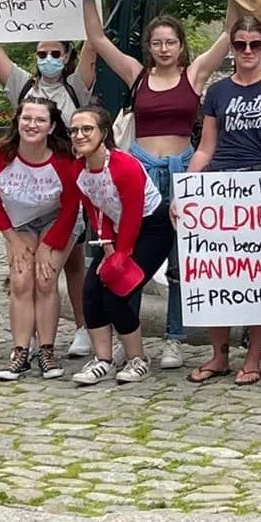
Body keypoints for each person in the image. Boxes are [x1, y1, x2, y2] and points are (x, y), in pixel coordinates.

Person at [79, 0, 252, 370]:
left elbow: (228, 34)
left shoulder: (194, 75)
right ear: (150, 47)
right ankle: (128, 335)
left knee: (180, 262)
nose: (163, 49)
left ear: (180, 45)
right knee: (130, 258)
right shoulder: (137, 74)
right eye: (157, 43)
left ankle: (174, 337)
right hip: (140, 171)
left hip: (183, 172)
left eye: (170, 42)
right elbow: (99, 39)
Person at [0, 0, 97, 357]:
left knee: (73, 264)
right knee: (27, 267)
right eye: (41, 52)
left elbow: (95, 41)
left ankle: (80, 326)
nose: (47, 57)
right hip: (26, 190)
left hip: (68, 183)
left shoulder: (77, 86)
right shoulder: (20, 84)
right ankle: (30, 336)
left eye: (55, 52)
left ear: (66, 57)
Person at [184, 13, 261, 387]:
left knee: (259, 277)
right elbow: (206, 147)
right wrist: (185, 190)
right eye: (240, 44)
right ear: (232, 48)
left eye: (255, 44)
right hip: (220, 187)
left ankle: (253, 358)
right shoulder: (217, 93)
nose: (248, 51)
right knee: (217, 275)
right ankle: (219, 356)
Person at [65, 105, 174, 385]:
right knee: (90, 291)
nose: (79, 135)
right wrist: (107, 246)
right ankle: (103, 360)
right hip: (115, 230)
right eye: (74, 130)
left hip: (152, 228)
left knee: (117, 293)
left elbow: (134, 214)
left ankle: (137, 359)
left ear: (103, 133)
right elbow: (94, 211)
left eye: (87, 129)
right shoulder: (79, 171)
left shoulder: (124, 166)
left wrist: (120, 255)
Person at [0, 97, 82, 381]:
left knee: (46, 278)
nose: (32, 125)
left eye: (40, 120)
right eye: (26, 118)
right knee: (21, 280)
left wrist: (49, 245)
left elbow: (72, 206)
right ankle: (20, 351)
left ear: (50, 127)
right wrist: (10, 238)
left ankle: (46, 351)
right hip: (18, 221)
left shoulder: (63, 159)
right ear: (17, 122)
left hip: (57, 218)